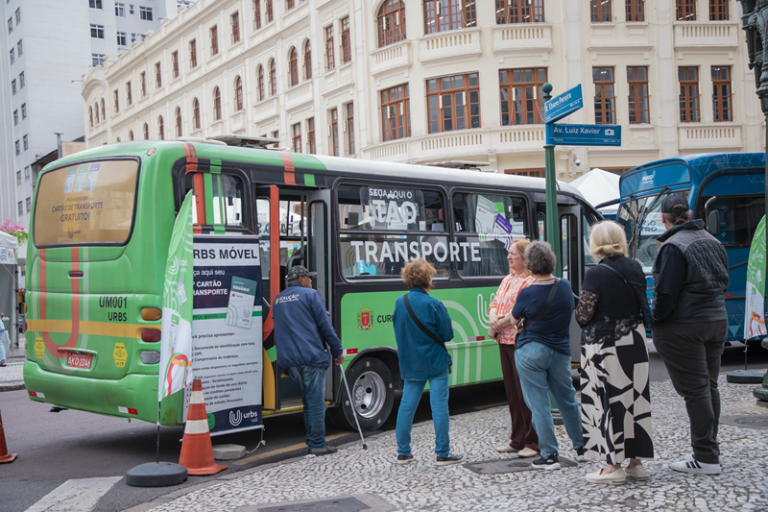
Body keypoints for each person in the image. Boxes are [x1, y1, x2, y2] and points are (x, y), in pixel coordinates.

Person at [651, 195, 729, 475]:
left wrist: (655, 321)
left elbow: (666, 295)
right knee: (709, 387)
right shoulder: (711, 239)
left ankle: (705, 457)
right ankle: (709, 450)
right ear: (691, 213)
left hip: (686, 325)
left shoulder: (673, 246)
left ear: (663, 219)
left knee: (696, 390)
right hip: (717, 320)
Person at [575, 221, 654, 484]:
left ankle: (613, 466)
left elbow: (583, 316)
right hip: (635, 339)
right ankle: (636, 463)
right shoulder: (634, 267)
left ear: (595, 243)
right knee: (635, 400)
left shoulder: (596, 273)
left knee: (610, 401)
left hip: (606, 344)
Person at [500, 241, 585, 470]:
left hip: (531, 351)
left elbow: (514, 320)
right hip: (560, 351)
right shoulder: (565, 286)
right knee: (567, 399)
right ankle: (582, 448)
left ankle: (549, 454)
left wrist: (507, 324)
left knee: (539, 405)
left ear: (529, 265)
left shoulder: (527, 293)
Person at [393, 258, 463, 467]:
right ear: (427, 280)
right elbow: (448, 334)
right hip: (435, 362)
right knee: (439, 406)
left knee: (407, 406)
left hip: (410, 362)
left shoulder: (400, 302)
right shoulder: (434, 304)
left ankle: (403, 452)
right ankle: (442, 453)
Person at [272, 265, 344, 456]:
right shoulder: (311, 295)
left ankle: (313, 440)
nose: (312, 282)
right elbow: (325, 326)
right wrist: (337, 350)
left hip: (289, 361)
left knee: (308, 400)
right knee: (316, 403)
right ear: (302, 279)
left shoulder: (278, 300)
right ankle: (317, 444)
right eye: (310, 278)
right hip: (310, 357)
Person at [488, 239, 539, 458]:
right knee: (511, 392)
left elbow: (522, 310)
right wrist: (493, 319)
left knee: (524, 392)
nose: (509, 257)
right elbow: (494, 304)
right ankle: (517, 438)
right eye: (508, 254)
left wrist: (499, 323)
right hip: (504, 341)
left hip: (519, 340)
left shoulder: (529, 281)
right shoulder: (507, 279)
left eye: (513, 254)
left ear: (524, 257)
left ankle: (532, 441)